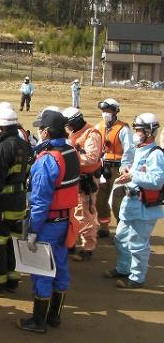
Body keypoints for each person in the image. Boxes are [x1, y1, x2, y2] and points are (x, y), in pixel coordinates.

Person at [17, 109, 80, 333]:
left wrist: (33, 230)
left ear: (45, 131)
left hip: (48, 223)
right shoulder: (71, 152)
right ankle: (55, 317)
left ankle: (38, 321)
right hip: (66, 221)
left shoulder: (47, 160)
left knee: (41, 270)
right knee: (61, 268)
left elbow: (41, 200)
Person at [105, 113, 164, 289]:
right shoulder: (139, 150)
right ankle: (123, 268)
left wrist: (133, 175)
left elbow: (156, 180)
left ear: (149, 132)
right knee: (121, 238)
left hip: (144, 206)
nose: (135, 133)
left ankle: (137, 277)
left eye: (139, 130)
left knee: (138, 244)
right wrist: (126, 170)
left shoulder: (156, 154)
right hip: (130, 202)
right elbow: (134, 170)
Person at [0, 108, 33, 297]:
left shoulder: (1, 149)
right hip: (19, 202)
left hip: (1, 204)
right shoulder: (23, 144)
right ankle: (12, 280)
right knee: (13, 242)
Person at [62, 107, 102, 261]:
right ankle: (73, 241)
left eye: (69, 124)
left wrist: (71, 157)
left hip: (88, 180)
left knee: (87, 212)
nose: (67, 128)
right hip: (75, 178)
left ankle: (88, 247)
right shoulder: (73, 133)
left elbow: (92, 158)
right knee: (74, 211)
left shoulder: (92, 134)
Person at [95, 99, 134, 238]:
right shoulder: (98, 127)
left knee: (118, 201)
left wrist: (125, 166)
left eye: (109, 111)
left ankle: (121, 231)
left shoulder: (123, 129)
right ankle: (104, 227)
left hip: (118, 169)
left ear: (116, 112)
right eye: (104, 111)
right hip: (102, 168)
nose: (106, 114)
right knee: (100, 199)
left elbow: (129, 150)